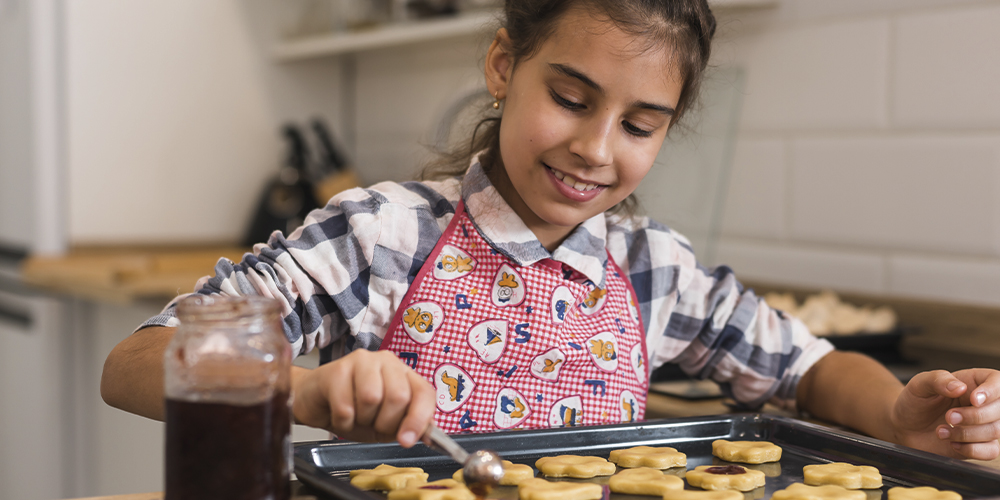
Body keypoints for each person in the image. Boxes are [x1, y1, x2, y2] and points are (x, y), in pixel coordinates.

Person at [102, 0, 1000, 460]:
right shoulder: (380, 236)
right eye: (570, 98)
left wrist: (897, 413)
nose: (595, 149)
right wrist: (304, 391)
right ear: (504, 65)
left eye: (639, 125)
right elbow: (136, 362)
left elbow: (809, 369)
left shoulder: (654, 271)